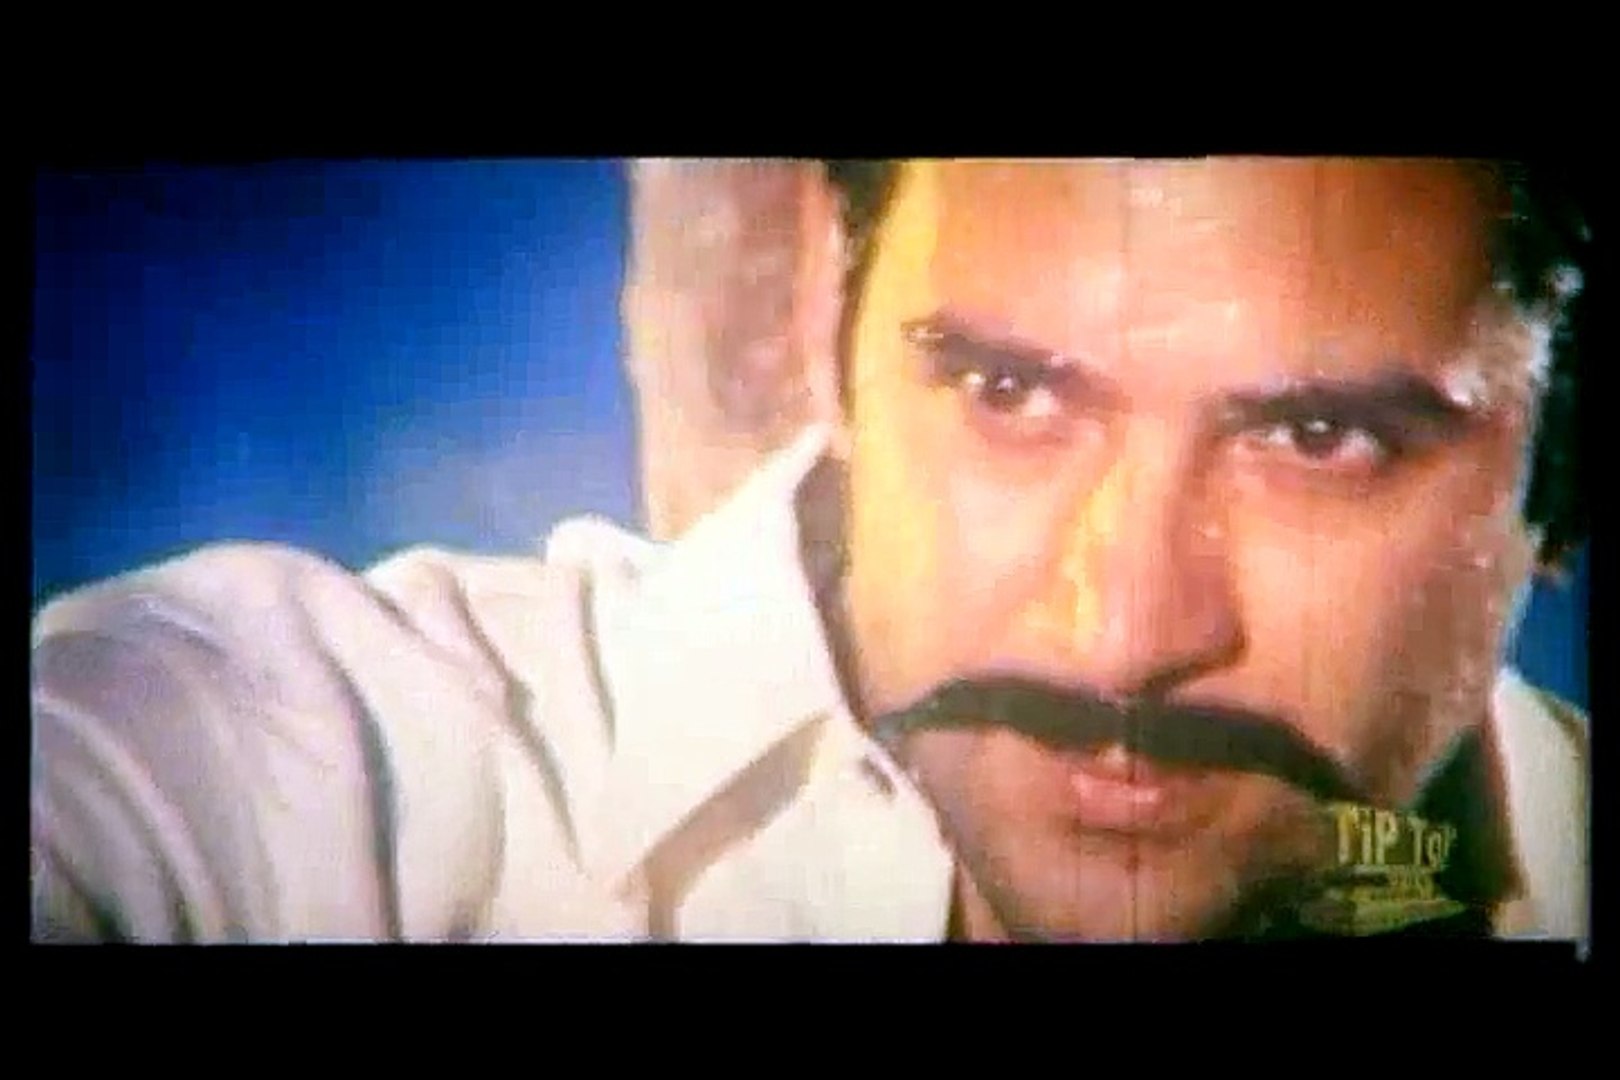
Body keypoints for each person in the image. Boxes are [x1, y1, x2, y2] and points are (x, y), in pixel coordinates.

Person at [30, 157, 1589, 943]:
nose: (1124, 634)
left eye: (1317, 441)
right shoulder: (298, 772)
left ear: (1565, 478)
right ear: (827, 333)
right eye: (1009, 393)